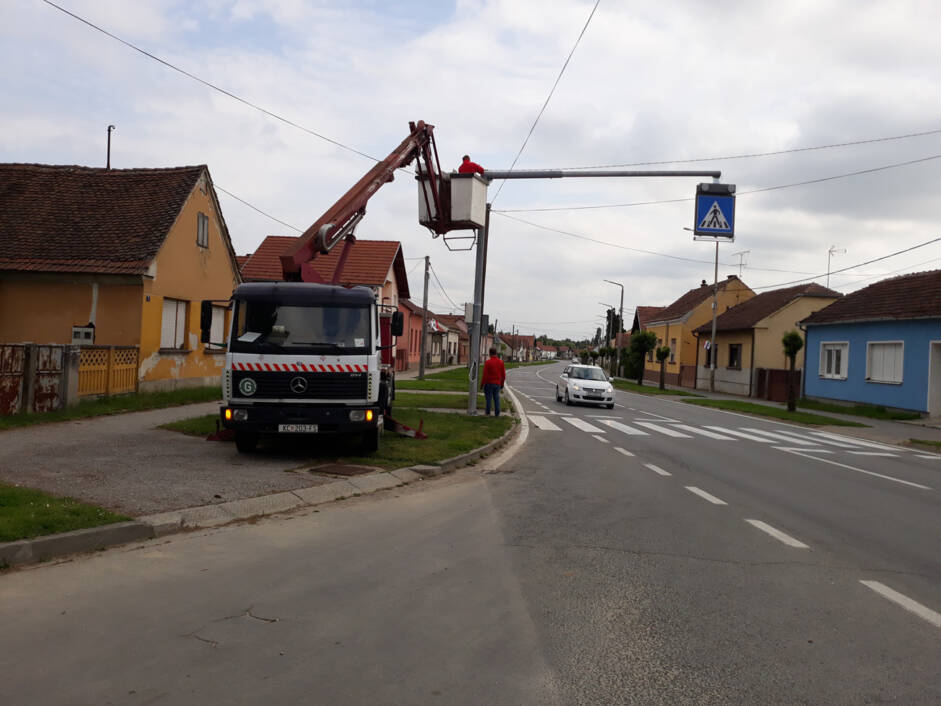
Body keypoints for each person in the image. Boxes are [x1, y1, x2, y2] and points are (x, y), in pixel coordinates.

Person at [480, 347, 506, 416]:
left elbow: (485, 375)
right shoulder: (501, 362)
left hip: (488, 383)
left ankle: (488, 412)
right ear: (496, 353)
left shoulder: (488, 362)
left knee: (488, 398)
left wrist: (482, 384)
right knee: (496, 398)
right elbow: (503, 375)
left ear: (490, 353)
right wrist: (502, 383)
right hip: (497, 383)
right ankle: (497, 413)